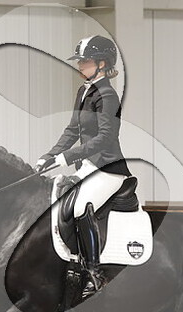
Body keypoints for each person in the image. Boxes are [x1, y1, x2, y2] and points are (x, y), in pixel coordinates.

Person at [35, 35, 132, 296]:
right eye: (80, 61)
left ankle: (93, 274)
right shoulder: (84, 91)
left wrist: (67, 157)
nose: (80, 65)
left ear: (102, 64)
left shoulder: (108, 95)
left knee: (80, 207)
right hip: (88, 167)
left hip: (108, 168)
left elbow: (105, 137)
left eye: (85, 61)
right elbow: (72, 129)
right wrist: (49, 155)